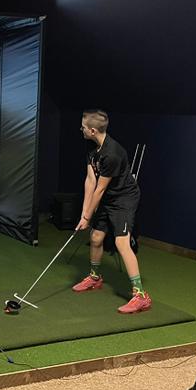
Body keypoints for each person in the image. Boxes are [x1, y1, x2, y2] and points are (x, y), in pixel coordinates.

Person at [72, 109, 151, 314]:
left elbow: (100, 188)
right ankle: (95, 278)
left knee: (121, 242)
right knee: (96, 237)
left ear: (91, 130)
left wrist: (88, 215)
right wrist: (84, 214)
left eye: (82, 127)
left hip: (124, 199)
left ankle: (140, 295)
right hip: (109, 198)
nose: (80, 129)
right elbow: (90, 181)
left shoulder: (112, 154)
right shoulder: (92, 149)